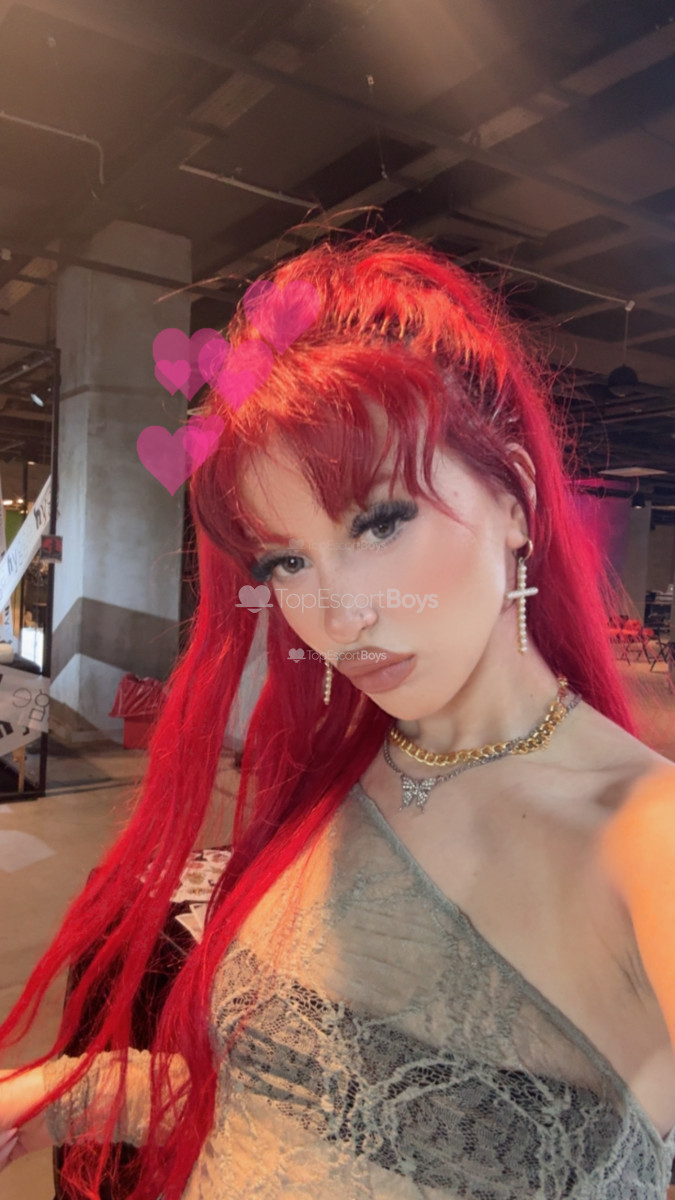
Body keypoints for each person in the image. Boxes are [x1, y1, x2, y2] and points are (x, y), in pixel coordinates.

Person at [1, 233, 675, 1200]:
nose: (339, 614)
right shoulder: (340, 779)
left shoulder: (641, 841)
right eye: (287, 561)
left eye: (380, 522)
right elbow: (292, 1114)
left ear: (517, 502)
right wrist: (74, 1094)